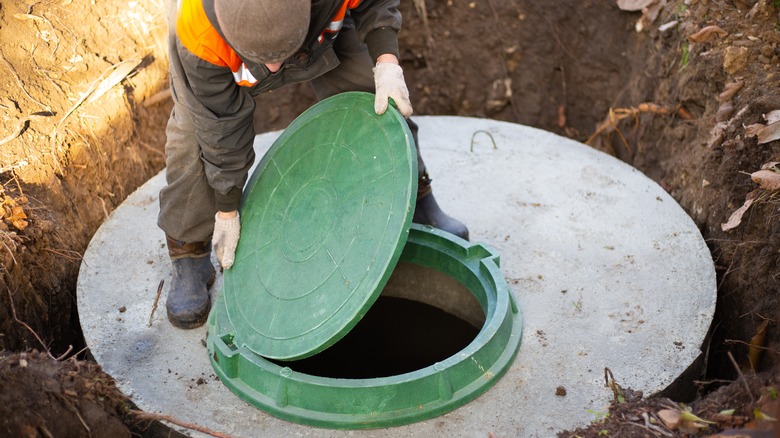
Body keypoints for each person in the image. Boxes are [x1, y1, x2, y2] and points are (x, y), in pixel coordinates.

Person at [159, 0, 469, 329]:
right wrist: (226, 208)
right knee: (193, 138)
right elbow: (220, 129)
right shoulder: (197, 31)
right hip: (216, 57)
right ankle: (189, 252)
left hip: (319, 30)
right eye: (267, 59)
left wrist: (386, 61)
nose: (276, 69)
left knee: (372, 94)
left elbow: (376, 4)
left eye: (280, 55)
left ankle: (413, 195)